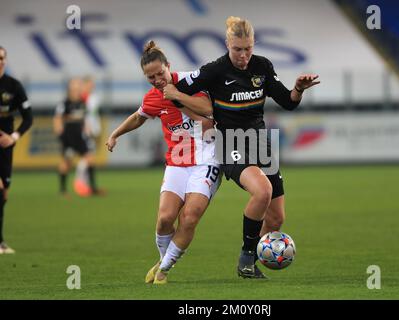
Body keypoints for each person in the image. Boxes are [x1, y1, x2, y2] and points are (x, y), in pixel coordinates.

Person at [164, 16, 320, 278]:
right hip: (229, 142)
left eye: (248, 48)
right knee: (262, 191)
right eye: (238, 49)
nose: (244, 55)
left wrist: (298, 89)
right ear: (227, 44)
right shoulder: (214, 70)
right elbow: (174, 90)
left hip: (260, 142)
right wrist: (200, 115)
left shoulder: (262, 66)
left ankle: (252, 263)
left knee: (275, 219)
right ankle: (246, 259)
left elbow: (288, 102)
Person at [106, 40, 220, 284]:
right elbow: (139, 117)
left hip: (207, 160)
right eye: (151, 77)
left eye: (160, 73)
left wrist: (177, 95)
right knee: (165, 218)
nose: (157, 79)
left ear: (169, 66)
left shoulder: (190, 82)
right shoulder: (153, 97)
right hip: (177, 162)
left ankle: (164, 270)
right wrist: (115, 134)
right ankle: (163, 259)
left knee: (189, 217)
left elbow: (208, 109)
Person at [0, 46, 33, 254]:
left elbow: (28, 117)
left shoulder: (14, 86)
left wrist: (13, 137)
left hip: (6, 147)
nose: (0, 61)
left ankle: (1, 241)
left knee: (3, 194)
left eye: (2, 57)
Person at [53, 77, 102, 197]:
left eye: (78, 87)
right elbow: (57, 118)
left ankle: (93, 188)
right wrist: (59, 132)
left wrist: (87, 128)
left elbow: (84, 118)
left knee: (90, 159)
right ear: (70, 89)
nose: (77, 89)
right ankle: (62, 190)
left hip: (80, 136)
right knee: (67, 163)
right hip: (68, 137)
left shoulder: (82, 103)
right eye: (74, 87)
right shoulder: (64, 103)